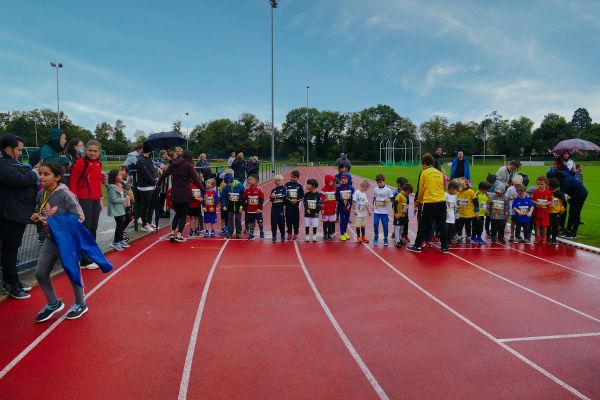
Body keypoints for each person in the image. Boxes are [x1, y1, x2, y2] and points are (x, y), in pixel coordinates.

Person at [32, 162, 88, 322]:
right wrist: (38, 216)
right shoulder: (41, 194)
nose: (41, 177)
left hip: (67, 241)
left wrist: (54, 223)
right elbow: (43, 212)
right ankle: (53, 303)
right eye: (40, 173)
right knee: (40, 272)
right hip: (50, 240)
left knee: (72, 272)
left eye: (46, 174)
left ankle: (81, 304)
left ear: (57, 177)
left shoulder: (65, 194)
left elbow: (79, 217)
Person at [0, 134, 38, 299]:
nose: (21, 153)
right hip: (9, 215)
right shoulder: (3, 164)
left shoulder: (12, 163)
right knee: (10, 250)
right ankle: (10, 284)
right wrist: (34, 173)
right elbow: (19, 179)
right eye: (19, 150)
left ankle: (13, 280)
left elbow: (23, 175)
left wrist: (30, 173)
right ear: (8, 149)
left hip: (16, 213)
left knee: (12, 249)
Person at [69, 140, 105, 270]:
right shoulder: (80, 162)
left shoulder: (99, 163)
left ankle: (91, 254)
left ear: (99, 152)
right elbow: (73, 181)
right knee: (85, 228)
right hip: (83, 199)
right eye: (90, 150)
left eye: (95, 151)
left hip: (95, 200)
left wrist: (100, 198)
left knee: (93, 228)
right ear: (86, 150)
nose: (93, 153)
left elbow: (97, 183)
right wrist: (75, 200)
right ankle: (84, 260)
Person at [158, 149, 203, 243]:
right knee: (183, 215)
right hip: (184, 193)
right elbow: (196, 180)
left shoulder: (174, 164)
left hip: (174, 192)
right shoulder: (189, 166)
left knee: (177, 214)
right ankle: (179, 234)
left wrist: (158, 183)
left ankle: (172, 232)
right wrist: (204, 191)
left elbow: (164, 174)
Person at [407, 154, 448, 253]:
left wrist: (418, 201)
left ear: (424, 164)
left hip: (429, 202)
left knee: (424, 224)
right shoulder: (439, 173)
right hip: (442, 201)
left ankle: (417, 246)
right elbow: (443, 187)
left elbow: (421, 189)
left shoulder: (424, 173)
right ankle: (444, 247)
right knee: (442, 225)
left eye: (421, 164)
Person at [135, 142, 159, 232]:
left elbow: (154, 169)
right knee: (144, 206)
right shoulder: (140, 160)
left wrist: (157, 177)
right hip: (144, 187)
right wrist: (154, 180)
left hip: (152, 186)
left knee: (151, 206)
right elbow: (146, 173)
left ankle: (149, 221)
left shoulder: (149, 159)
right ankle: (144, 224)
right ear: (149, 150)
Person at [106, 170, 130, 251]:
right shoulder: (111, 187)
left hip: (121, 209)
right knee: (119, 225)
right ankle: (116, 242)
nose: (121, 176)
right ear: (115, 177)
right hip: (116, 210)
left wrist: (124, 195)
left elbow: (120, 195)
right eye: (119, 175)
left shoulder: (119, 185)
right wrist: (124, 199)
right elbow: (113, 199)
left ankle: (120, 239)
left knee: (120, 225)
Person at [372, 173, 394, 246]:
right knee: (375, 223)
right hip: (377, 211)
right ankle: (376, 236)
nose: (379, 184)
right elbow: (374, 198)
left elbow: (392, 198)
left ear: (384, 181)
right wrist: (373, 205)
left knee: (385, 225)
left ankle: (385, 238)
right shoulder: (375, 189)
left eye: (380, 182)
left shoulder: (388, 190)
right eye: (378, 182)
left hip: (384, 211)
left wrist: (387, 200)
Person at [221, 173, 244, 239]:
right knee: (230, 219)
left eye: (229, 182)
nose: (228, 184)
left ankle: (238, 232)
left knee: (238, 219)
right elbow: (224, 197)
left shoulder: (240, 186)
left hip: (238, 205)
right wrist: (224, 205)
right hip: (230, 205)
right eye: (226, 183)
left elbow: (243, 198)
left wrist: (241, 207)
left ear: (232, 181)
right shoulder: (226, 188)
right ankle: (230, 232)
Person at [455, 178, 478, 245]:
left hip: (468, 214)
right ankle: (459, 237)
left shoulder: (470, 191)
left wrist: (476, 211)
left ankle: (468, 238)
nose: (457, 189)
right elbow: (457, 202)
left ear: (462, 185)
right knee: (459, 226)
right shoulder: (458, 192)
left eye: (458, 187)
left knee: (468, 227)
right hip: (460, 214)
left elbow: (476, 202)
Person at [531, 175, 552, 244]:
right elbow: (532, 200)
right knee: (537, 225)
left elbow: (550, 201)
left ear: (546, 184)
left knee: (544, 226)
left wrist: (545, 204)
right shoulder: (535, 192)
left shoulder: (548, 192)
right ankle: (537, 237)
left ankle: (544, 237)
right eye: (538, 184)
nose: (540, 186)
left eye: (542, 184)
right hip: (537, 212)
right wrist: (537, 203)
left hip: (545, 212)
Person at [243, 174, 264, 240]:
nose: (249, 181)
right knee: (251, 223)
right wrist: (245, 208)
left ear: (256, 181)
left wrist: (259, 208)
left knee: (260, 223)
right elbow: (244, 199)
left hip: (257, 210)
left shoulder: (259, 189)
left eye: (251, 179)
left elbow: (261, 199)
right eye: (249, 179)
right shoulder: (247, 189)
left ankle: (261, 232)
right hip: (250, 211)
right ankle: (251, 234)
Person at [285, 170, 304, 240]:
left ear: (297, 178)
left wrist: (297, 200)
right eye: (292, 176)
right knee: (288, 220)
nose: (292, 178)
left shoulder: (299, 186)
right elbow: (285, 194)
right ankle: (289, 233)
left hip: (296, 206)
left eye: (294, 177)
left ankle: (296, 233)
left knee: (296, 220)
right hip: (288, 206)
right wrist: (290, 200)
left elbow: (302, 196)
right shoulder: (286, 184)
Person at [335, 173, 354, 241]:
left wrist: (349, 203)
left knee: (346, 220)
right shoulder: (339, 187)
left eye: (345, 179)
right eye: (342, 179)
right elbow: (336, 197)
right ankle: (342, 234)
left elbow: (352, 197)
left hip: (348, 207)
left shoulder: (351, 188)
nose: (343, 180)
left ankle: (345, 232)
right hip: (341, 206)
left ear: (348, 179)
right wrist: (342, 200)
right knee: (342, 219)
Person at [548, 178, 567, 244]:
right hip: (547, 212)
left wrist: (561, 211)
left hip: (556, 213)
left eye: (549, 186)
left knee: (555, 226)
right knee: (547, 225)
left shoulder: (559, 194)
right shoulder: (547, 192)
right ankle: (548, 237)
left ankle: (554, 238)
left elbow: (564, 203)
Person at [393, 183, 412, 247]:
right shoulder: (399, 195)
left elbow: (405, 205)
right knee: (398, 227)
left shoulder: (405, 196)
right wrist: (396, 213)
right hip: (398, 215)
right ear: (407, 190)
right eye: (409, 192)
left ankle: (400, 238)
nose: (409, 194)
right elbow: (395, 203)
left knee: (402, 227)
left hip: (403, 215)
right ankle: (397, 241)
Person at [505, 175, 523, 242]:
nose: (517, 186)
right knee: (513, 221)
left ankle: (518, 235)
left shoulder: (522, 188)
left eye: (518, 185)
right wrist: (510, 198)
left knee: (519, 222)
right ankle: (512, 235)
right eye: (515, 185)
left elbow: (524, 197)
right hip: (512, 208)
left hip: (520, 208)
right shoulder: (510, 189)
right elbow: (506, 198)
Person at [303, 178, 322, 243]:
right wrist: (307, 209)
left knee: (314, 225)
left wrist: (317, 211)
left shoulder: (318, 195)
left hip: (315, 214)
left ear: (313, 186)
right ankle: (307, 235)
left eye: (309, 184)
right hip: (307, 213)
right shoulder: (306, 194)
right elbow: (305, 203)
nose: (307, 185)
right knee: (307, 225)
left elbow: (319, 204)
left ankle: (314, 235)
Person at [270, 175, 287, 243]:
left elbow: (284, 196)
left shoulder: (284, 189)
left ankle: (282, 235)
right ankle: (274, 236)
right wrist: (272, 197)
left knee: (281, 223)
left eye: (281, 180)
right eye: (278, 180)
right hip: (274, 209)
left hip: (281, 208)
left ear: (283, 181)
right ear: (275, 182)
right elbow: (271, 200)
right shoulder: (273, 190)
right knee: (273, 223)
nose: (280, 182)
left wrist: (276, 196)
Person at [321, 174, 337, 241]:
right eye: (329, 181)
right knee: (325, 222)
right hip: (325, 209)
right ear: (326, 181)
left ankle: (330, 234)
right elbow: (322, 200)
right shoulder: (323, 190)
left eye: (332, 181)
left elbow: (336, 198)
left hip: (332, 209)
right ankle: (325, 234)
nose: (331, 183)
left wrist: (336, 205)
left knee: (330, 222)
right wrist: (322, 209)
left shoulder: (335, 189)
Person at [445, 180, 459, 247]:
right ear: (451, 189)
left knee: (452, 229)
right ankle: (445, 241)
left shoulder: (455, 196)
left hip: (452, 216)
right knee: (446, 230)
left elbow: (455, 205)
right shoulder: (445, 195)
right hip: (446, 216)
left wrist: (456, 213)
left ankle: (449, 241)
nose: (456, 192)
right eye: (455, 190)